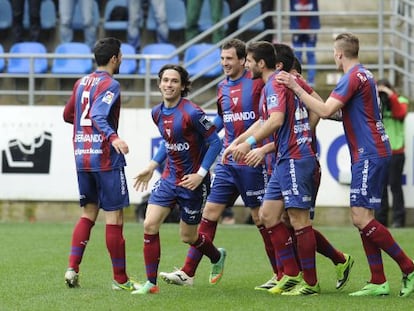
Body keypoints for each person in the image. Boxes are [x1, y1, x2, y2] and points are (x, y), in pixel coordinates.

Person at [276, 32, 414, 297]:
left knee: (361, 217)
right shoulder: (365, 75)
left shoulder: (350, 77)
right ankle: (378, 280)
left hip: (369, 152)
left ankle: (408, 267)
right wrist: (305, 87)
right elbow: (338, 112)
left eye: (333, 52)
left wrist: (295, 87)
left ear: (338, 54)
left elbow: (326, 111)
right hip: (372, 150)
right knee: (363, 219)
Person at [158, 39, 280, 289]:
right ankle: (188, 273)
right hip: (227, 160)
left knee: (260, 218)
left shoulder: (257, 84)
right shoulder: (222, 87)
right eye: (222, 58)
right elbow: (222, 120)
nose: (225, 63)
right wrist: (203, 134)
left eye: (230, 58)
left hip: (251, 159)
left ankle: (281, 274)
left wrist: (256, 146)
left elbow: (267, 118)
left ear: (242, 60)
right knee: (210, 213)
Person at [223, 40, 320, 296]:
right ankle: (290, 273)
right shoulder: (277, 82)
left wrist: (253, 144)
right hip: (283, 159)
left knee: (299, 220)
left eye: (249, 61)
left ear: (261, 63)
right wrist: (237, 142)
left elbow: (276, 120)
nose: (246, 64)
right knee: (267, 215)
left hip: (295, 158)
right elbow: (266, 119)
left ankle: (310, 283)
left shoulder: (276, 82)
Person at [131, 64, 225, 295]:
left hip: (193, 183)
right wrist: (152, 166)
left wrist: (200, 175)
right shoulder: (156, 113)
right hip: (169, 178)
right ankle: (151, 284)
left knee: (188, 236)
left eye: (174, 81)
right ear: (159, 83)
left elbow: (215, 142)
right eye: (165, 80)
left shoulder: (192, 112)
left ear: (183, 86)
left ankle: (216, 255)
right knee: (150, 224)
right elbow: (168, 142)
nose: (169, 85)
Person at [63, 37, 138, 291]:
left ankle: (72, 268)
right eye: (121, 56)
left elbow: (67, 115)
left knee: (88, 214)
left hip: (82, 156)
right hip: (105, 157)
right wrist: (113, 137)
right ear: (115, 58)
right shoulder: (111, 84)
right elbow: (97, 113)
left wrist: (85, 132)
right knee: (114, 218)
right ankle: (121, 280)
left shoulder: (81, 82)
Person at [375, 78, 408, 228]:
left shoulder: (400, 100)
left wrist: (390, 95)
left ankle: (398, 220)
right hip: (381, 152)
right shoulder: (377, 102)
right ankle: (381, 221)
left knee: (395, 186)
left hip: (396, 151)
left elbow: (400, 113)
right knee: (380, 188)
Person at [290, 0, 320, 87]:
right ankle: (296, 78)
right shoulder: (293, 1)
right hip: (297, 28)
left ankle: (311, 81)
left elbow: (315, 10)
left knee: (310, 54)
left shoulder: (312, 1)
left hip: (310, 28)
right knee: (297, 55)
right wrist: (294, 27)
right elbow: (292, 11)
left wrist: (314, 27)